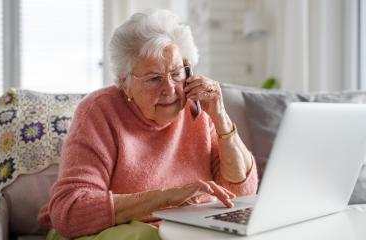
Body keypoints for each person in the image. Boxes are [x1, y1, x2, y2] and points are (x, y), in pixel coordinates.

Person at [38, 9, 258, 240]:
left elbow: (240, 193)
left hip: (182, 230)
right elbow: (72, 213)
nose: (170, 90)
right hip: (109, 231)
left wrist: (220, 117)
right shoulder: (98, 112)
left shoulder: (198, 110)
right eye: (154, 78)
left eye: (176, 74)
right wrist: (168, 198)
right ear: (125, 84)